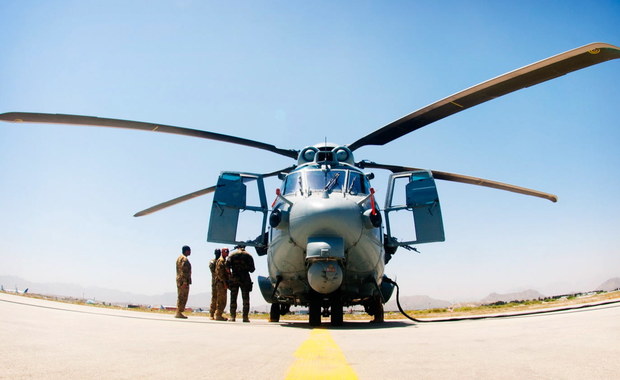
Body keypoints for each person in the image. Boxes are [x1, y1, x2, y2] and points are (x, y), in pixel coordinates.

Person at [226, 245, 255, 322]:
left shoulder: (232, 255)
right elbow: (252, 269)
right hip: (245, 278)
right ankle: (245, 317)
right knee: (246, 299)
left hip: (234, 278)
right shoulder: (248, 256)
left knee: (233, 298)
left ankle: (232, 317)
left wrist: (230, 275)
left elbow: (227, 267)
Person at [175, 245, 192, 319]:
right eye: (189, 250)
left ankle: (179, 312)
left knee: (180, 296)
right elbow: (184, 271)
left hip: (180, 280)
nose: (190, 252)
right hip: (183, 281)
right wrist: (185, 282)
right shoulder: (184, 259)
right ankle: (179, 312)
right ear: (186, 251)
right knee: (182, 296)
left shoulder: (179, 258)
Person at [214, 247, 230, 321]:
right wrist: (224, 283)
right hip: (221, 283)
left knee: (223, 300)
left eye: (228, 251)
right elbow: (220, 274)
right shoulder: (221, 261)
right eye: (226, 251)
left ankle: (219, 314)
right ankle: (218, 315)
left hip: (222, 283)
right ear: (222, 252)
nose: (227, 253)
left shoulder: (224, 260)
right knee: (221, 300)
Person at [208, 249, 221, 319]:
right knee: (214, 298)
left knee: (220, 298)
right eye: (217, 253)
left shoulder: (221, 261)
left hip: (221, 282)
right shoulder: (213, 262)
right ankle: (212, 313)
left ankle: (218, 313)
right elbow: (213, 270)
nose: (218, 254)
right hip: (215, 282)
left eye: (219, 253)